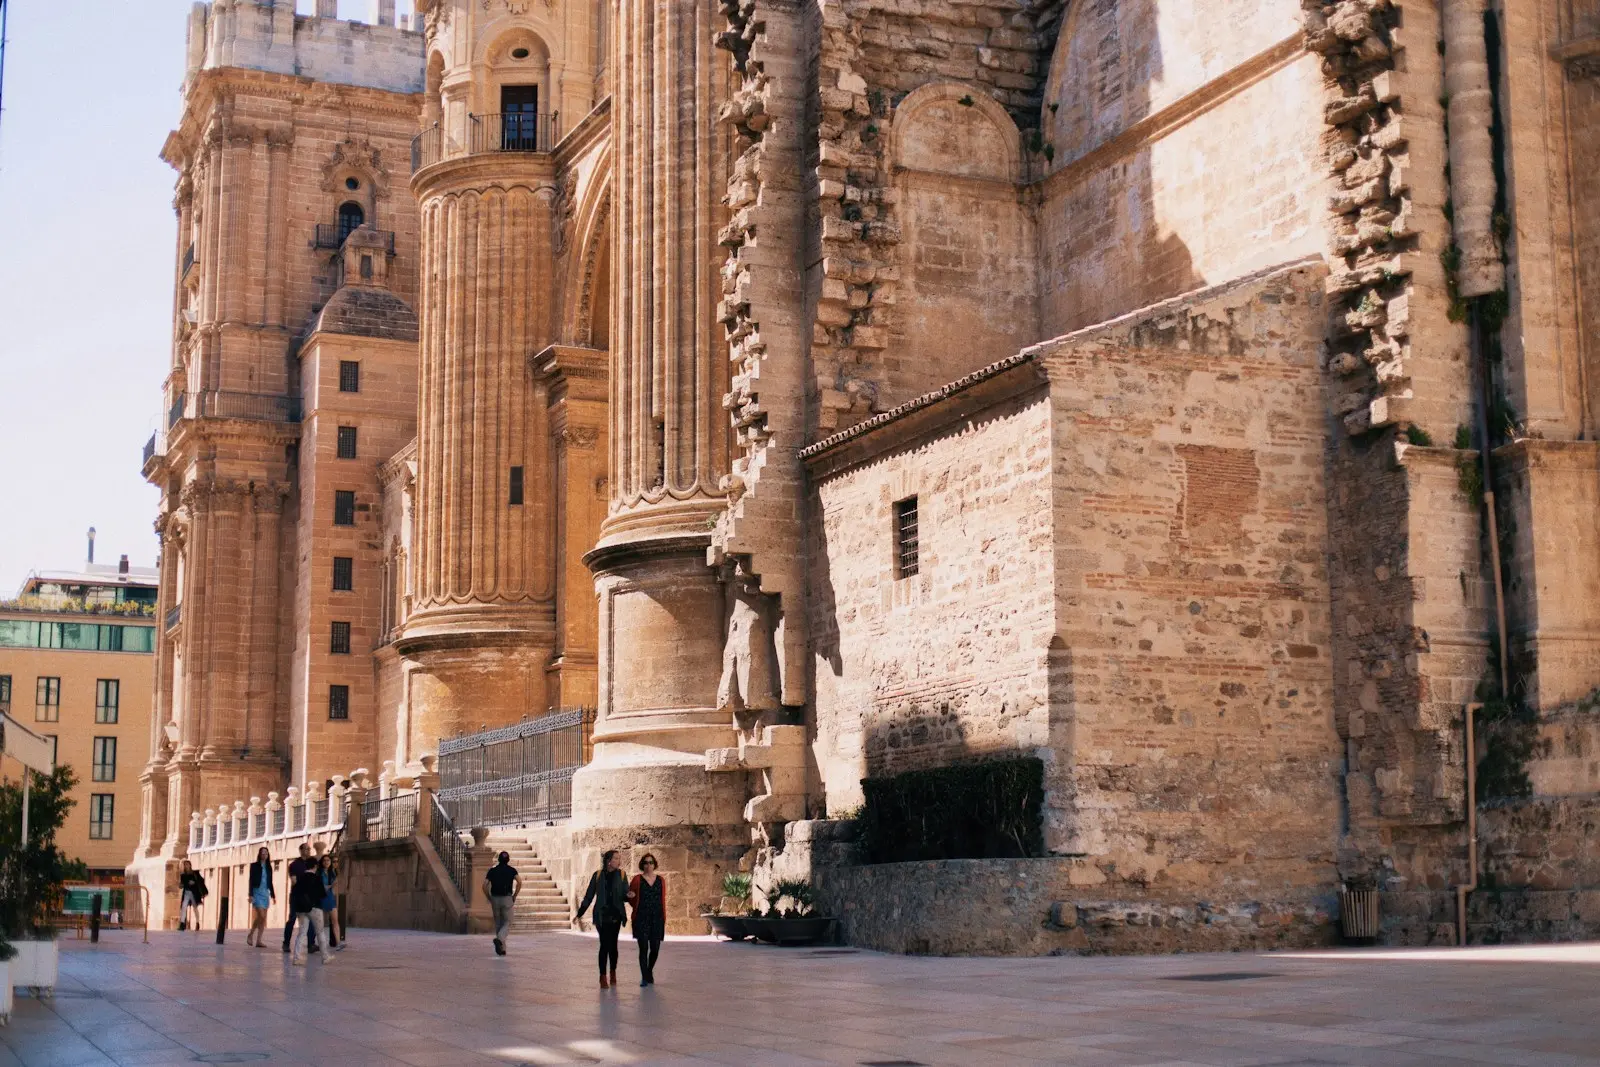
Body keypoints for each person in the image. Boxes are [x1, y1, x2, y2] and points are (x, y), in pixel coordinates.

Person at [574, 850, 628, 989]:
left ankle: (613, 971)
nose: (619, 861)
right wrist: (579, 914)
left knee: (613, 946)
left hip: (616, 915)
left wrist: (630, 895)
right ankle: (602, 976)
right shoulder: (597, 875)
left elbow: (624, 894)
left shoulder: (622, 875)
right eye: (616, 858)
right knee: (604, 945)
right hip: (601, 916)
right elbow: (589, 896)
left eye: (619, 858)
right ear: (609, 860)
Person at [627, 853, 666, 987]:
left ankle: (649, 971)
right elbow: (631, 898)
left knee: (655, 948)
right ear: (642, 865)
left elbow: (662, 899)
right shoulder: (637, 879)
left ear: (654, 865)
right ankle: (644, 977)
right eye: (645, 863)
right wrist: (630, 896)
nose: (648, 865)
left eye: (650, 862)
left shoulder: (661, 880)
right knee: (643, 948)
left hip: (657, 918)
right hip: (641, 918)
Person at [288, 853, 335, 967]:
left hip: (301, 909)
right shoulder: (316, 878)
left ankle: (297, 958)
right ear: (315, 866)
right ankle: (325, 957)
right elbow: (322, 894)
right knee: (320, 932)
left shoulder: (300, 878)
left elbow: (295, 893)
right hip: (315, 908)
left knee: (302, 933)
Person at [481, 851, 521, 957]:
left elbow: (484, 885)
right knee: (508, 921)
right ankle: (500, 939)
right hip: (507, 898)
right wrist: (515, 895)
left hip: (495, 898)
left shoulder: (492, 871)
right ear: (508, 860)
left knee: (498, 923)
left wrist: (489, 897)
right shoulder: (512, 870)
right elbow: (519, 882)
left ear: (498, 860)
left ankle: (502, 949)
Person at [281, 843, 318, 954]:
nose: (308, 851)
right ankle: (286, 943)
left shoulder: (312, 863)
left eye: (309, 849)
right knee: (292, 919)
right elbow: (294, 881)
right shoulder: (294, 865)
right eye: (306, 849)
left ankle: (311, 944)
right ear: (301, 850)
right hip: (297, 896)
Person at [246, 847, 274, 947]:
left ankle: (259, 941)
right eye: (262, 853)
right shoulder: (254, 866)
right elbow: (251, 880)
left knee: (263, 918)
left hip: (265, 893)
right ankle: (251, 934)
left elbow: (270, 882)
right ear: (259, 854)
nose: (264, 855)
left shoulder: (269, 867)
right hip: (256, 892)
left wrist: (273, 895)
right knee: (261, 915)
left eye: (266, 853)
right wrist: (250, 894)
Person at [317, 853, 341, 951]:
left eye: (328, 860)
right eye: (325, 860)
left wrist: (332, 886)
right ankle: (321, 943)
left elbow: (332, 886)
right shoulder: (319, 873)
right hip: (321, 898)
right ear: (322, 862)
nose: (327, 862)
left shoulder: (333, 873)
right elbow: (322, 887)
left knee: (335, 921)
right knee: (321, 923)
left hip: (330, 898)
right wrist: (330, 886)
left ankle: (338, 942)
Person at [177, 861, 207, 932]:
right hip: (186, 892)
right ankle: (182, 924)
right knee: (183, 907)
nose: (186, 866)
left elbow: (201, 880)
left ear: (190, 865)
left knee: (195, 908)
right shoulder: (183, 875)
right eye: (185, 865)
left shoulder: (195, 873)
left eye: (187, 865)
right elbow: (182, 885)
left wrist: (194, 882)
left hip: (194, 893)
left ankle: (197, 923)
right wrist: (181, 885)